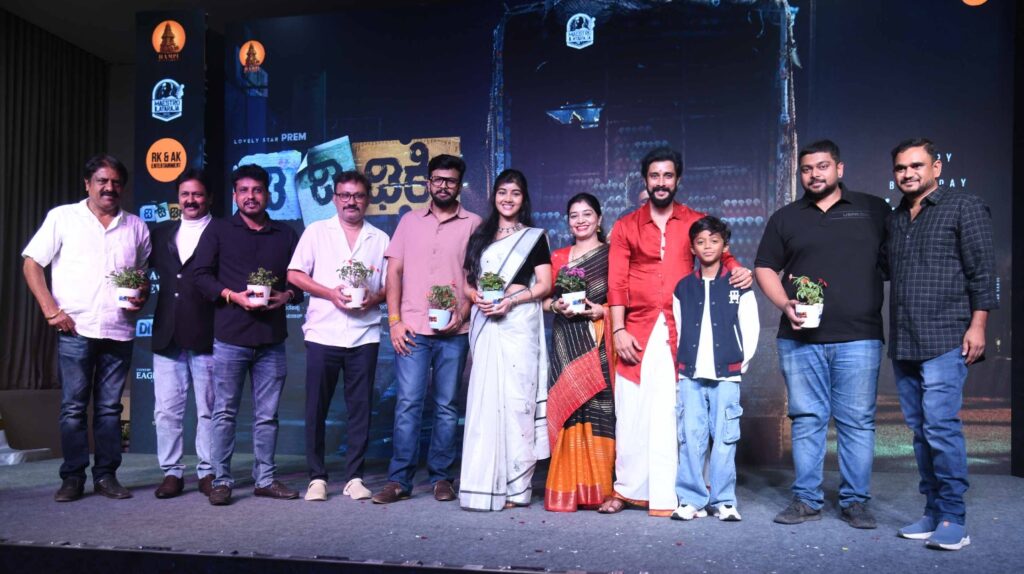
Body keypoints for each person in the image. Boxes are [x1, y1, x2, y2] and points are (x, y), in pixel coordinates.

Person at [604, 147, 752, 516]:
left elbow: (722, 255)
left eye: (667, 175)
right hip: (636, 326)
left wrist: (739, 270)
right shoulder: (626, 226)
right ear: (645, 180)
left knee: (680, 411)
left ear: (678, 180)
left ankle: (682, 492)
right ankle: (630, 489)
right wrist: (618, 329)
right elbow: (617, 282)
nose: (661, 182)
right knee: (633, 409)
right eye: (654, 175)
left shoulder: (695, 221)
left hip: (685, 328)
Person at [754, 140, 890, 529]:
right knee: (806, 419)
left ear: (839, 169)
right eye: (807, 169)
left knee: (856, 421)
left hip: (859, 336)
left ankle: (855, 501)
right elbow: (765, 267)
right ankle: (806, 499)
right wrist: (785, 304)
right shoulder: (785, 218)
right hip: (799, 339)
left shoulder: (873, 209)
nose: (815, 174)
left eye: (823, 166)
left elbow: (896, 261)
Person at [887, 138, 996, 551]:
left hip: (947, 336)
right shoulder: (896, 218)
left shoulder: (963, 206)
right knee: (920, 432)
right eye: (901, 168)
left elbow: (983, 271)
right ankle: (932, 512)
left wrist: (978, 325)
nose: (908, 174)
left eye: (917, 165)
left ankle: (954, 518)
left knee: (940, 427)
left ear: (937, 168)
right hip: (905, 339)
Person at [22, 154, 151, 502]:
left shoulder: (136, 226)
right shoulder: (63, 217)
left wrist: (141, 295)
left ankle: (106, 476)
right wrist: (51, 310)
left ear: (122, 187)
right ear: (87, 184)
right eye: (102, 181)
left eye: (116, 182)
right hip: (75, 329)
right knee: (73, 409)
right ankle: (73, 478)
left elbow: (141, 276)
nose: (109, 188)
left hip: (119, 330)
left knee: (109, 410)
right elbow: (32, 263)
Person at [372, 154, 482, 504]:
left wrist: (462, 313)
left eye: (450, 180)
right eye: (438, 179)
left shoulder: (474, 224)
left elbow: (476, 277)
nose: (443, 185)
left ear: (459, 185)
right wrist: (394, 321)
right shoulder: (409, 222)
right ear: (428, 183)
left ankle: (441, 478)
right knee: (408, 404)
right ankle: (399, 480)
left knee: (447, 406)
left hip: (454, 332)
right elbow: (394, 273)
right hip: (412, 329)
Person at [192, 164, 301, 506]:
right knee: (224, 413)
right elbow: (200, 275)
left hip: (272, 340)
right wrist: (231, 296)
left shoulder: (285, 234)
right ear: (235, 195)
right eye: (244, 190)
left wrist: (287, 295)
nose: (250, 196)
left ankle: (264, 479)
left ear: (268, 194)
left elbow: (300, 280)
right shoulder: (219, 230)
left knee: (267, 416)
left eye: (257, 190)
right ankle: (221, 480)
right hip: (230, 338)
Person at [287, 170, 388, 502]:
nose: (351, 202)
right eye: (345, 195)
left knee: (360, 408)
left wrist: (374, 298)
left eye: (358, 195)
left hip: (364, 334)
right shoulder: (317, 231)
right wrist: (329, 293)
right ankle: (316, 477)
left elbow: (390, 285)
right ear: (334, 199)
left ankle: (354, 477)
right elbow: (295, 274)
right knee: (316, 408)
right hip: (323, 333)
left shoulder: (380, 238)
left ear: (367, 200)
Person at [459, 169, 552, 511]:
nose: (508, 198)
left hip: (519, 327)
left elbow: (545, 284)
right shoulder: (481, 236)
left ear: (523, 199)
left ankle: (517, 488)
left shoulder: (534, 238)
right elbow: (468, 282)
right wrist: (476, 297)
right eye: (502, 192)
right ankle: (483, 483)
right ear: (494, 196)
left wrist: (512, 300)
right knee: (485, 403)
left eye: (515, 193)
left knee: (517, 403)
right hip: (487, 325)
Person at [671, 216, 759, 522]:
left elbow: (750, 327)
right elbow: (680, 328)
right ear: (692, 248)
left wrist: (738, 364)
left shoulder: (738, 284)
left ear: (725, 246)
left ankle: (724, 501)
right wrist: (684, 365)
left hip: (726, 374)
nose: (707, 247)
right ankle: (691, 500)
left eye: (714, 241)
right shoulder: (683, 288)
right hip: (691, 375)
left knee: (725, 438)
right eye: (700, 242)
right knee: (690, 437)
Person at [543, 192, 616, 512]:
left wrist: (602, 311)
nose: (581, 220)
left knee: (600, 410)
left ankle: (600, 488)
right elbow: (542, 299)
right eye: (574, 215)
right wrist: (554, 306)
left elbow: (625, 298)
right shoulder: (558, 256)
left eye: (587, 214)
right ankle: (568, 489)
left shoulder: (612, 254)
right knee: (570, 410)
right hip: (565, 341)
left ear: (599, 219)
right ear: (568, 222)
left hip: (598, 340)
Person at [148, 169, 216, 499]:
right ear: (178, 198)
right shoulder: (160, 233)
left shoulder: (222, 232)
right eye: (185, 194)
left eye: (197, 194)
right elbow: (136, 272)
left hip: (209, 334)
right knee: (166, 410)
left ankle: (208, 471)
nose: (191, 200)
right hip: (167, 334)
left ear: (209, 198)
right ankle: (172, 473)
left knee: (209, 410)